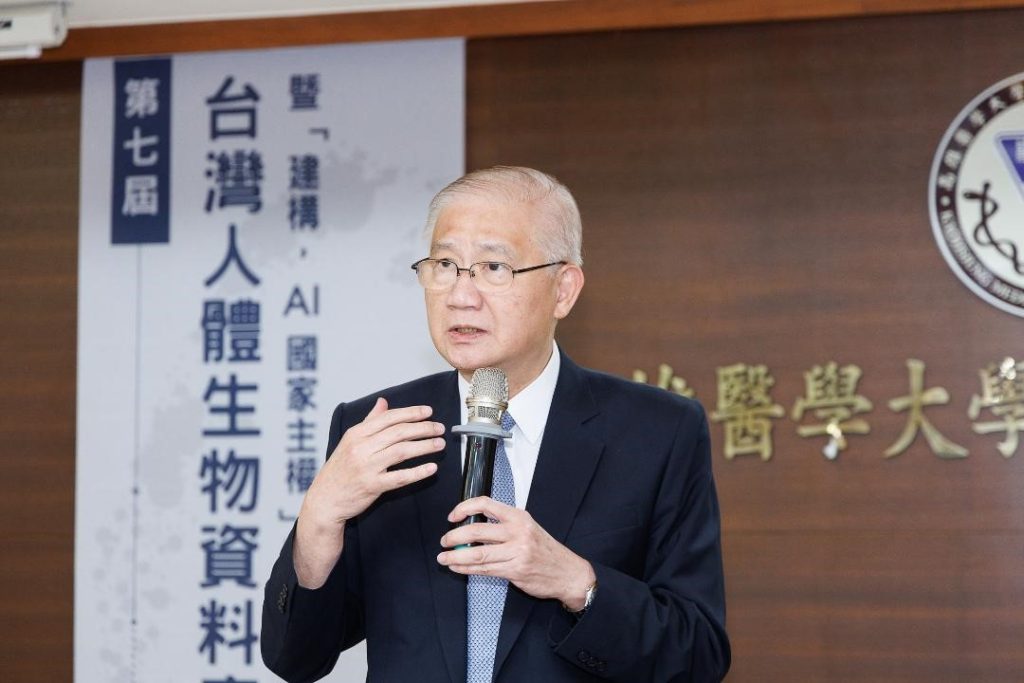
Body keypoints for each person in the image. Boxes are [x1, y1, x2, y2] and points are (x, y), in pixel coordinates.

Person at [261, 166, 730, 682]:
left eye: (494, 267)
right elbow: (295, 659)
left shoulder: (657, 433)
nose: (461, 295)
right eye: (444, 264)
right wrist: (318, 520)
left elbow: (698, 657)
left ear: (563, 289)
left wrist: (577, 582)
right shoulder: (379, 430)